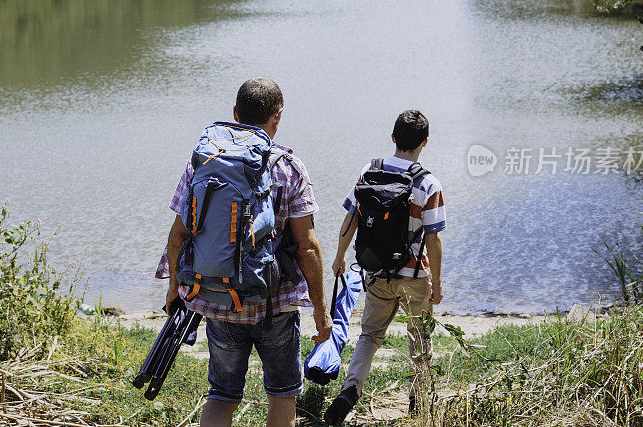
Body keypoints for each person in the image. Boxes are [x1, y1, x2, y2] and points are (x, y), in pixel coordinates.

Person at [155, 78, 333, 427]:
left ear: (235, 114)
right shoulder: (289, 167)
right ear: (277, 117)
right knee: (282, 393)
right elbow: (308, 247)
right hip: (274, 304)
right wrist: (321, 309)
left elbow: (178, 237)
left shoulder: (203, 162)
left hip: (219, 299)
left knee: (221, 396)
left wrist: (174, 288)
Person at [324, 110, 446, 424]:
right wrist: (438, 283)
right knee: (419, 336)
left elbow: (351, 217)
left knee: (369, 335)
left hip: (376, 271)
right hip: (415, 275)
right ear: (425, 143)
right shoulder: (429, 183)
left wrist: (339, 256)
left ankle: (350, 390)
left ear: (393, 137)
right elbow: (433, 239)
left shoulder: (370, 171)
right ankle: (418, 402)